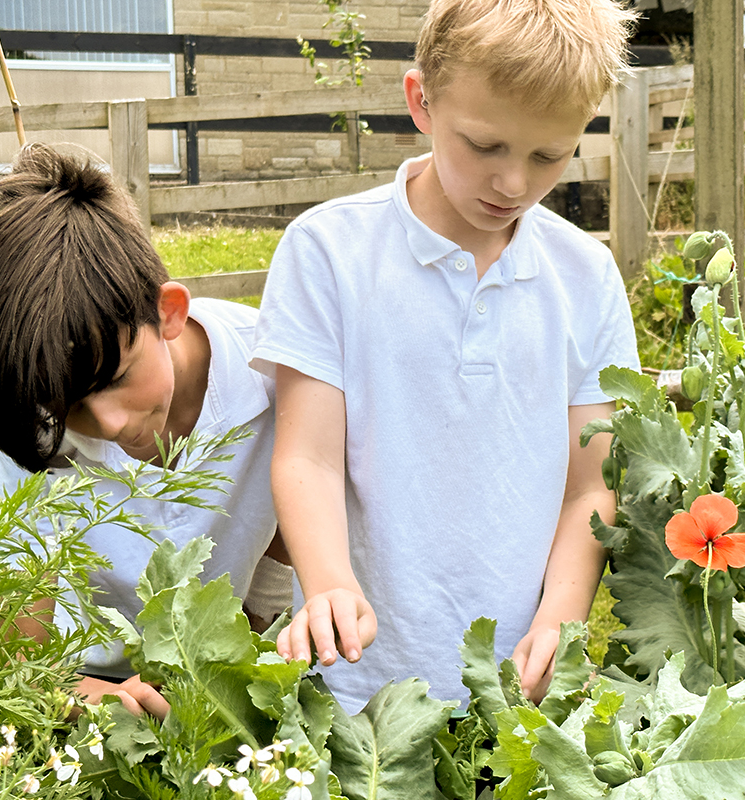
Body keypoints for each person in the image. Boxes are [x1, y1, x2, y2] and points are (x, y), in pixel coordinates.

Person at [250, 0, 641, 711]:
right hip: (357, 685)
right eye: (485, 146)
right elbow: (307, 456)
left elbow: (590, 486)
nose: (514, 184)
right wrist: (330, 581)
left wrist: (562, 616)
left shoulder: (586, 277)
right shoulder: (329, 252)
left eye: (549, 155)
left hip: (512, 692)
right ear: (420, 102)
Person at [0, 143, 291, 720]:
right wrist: (82, 702)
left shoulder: (272, 370)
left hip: (252, 665)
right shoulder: (35, 426)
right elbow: (19, 656)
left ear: (168, 313)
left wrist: (243, 669)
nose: (109, 425)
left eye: (118, 379)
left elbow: (282, 547)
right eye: (71, 409)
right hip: (96, 679)